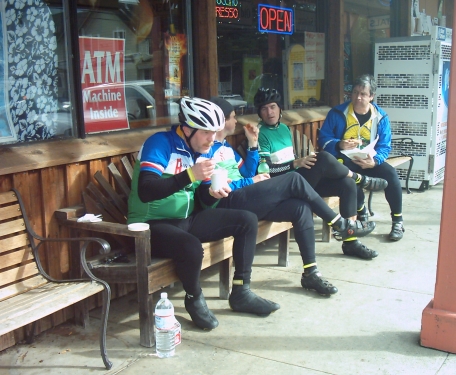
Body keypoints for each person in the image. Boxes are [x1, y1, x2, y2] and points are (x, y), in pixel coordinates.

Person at [197, 98, 378, 297]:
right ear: (221, 122)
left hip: (247, 196)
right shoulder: (206, 150)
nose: (236, 121)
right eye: (232, 117)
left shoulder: (226, 148)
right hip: (229, 202)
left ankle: (311, 272)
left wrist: (252, 143)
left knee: (300, 207)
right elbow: (218, 186)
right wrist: (251, 181)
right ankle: (339, 224)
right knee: (294, 179)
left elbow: (247, 171)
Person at [127, 97, 280, 331]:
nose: (212, 138)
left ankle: (241, 291)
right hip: (149, 226)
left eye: (214, 132)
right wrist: (190, 175)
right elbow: (146, 190)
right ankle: (194, 298)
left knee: (246, 220)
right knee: (191, 247)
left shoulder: (199, 149)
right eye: (206, 132)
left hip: (185, 220)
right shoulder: (159, 143)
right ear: (187, 129)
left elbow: (202, 199)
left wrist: (212, 193)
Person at [254, 88, 387, 259]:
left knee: (347, 184)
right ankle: (361, 179)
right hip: (283, 188)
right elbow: (267, 171)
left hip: (299, 182)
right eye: (264, 109)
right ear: (259, 113)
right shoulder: (260, 134)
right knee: (323, 157)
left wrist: (298, 163)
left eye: (273, 107)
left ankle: (351, 242)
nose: (269, 112)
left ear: (280, 108)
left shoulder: (284, 129)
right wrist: (294, 163)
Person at [318, 74, 405, 241]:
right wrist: (339, 144)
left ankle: (397, 221)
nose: (358, 97)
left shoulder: (381, 117)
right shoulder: (337, 113)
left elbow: (385, 146)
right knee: (349, 177)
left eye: (363, 94)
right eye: (355, 92)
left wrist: (375, 161)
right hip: (344, 161)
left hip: (369, 161)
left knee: (391, 174)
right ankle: (362, 212)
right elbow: (324, 139)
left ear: (371, 96)